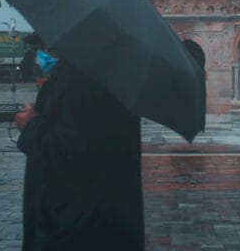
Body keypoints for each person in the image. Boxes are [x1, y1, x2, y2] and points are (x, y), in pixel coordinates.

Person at [15, 49, 145, 250]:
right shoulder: (112, 74)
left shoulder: (81, 79)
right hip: (104, 222)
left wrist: (31, 125)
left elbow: (70, 154)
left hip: (75, 228)